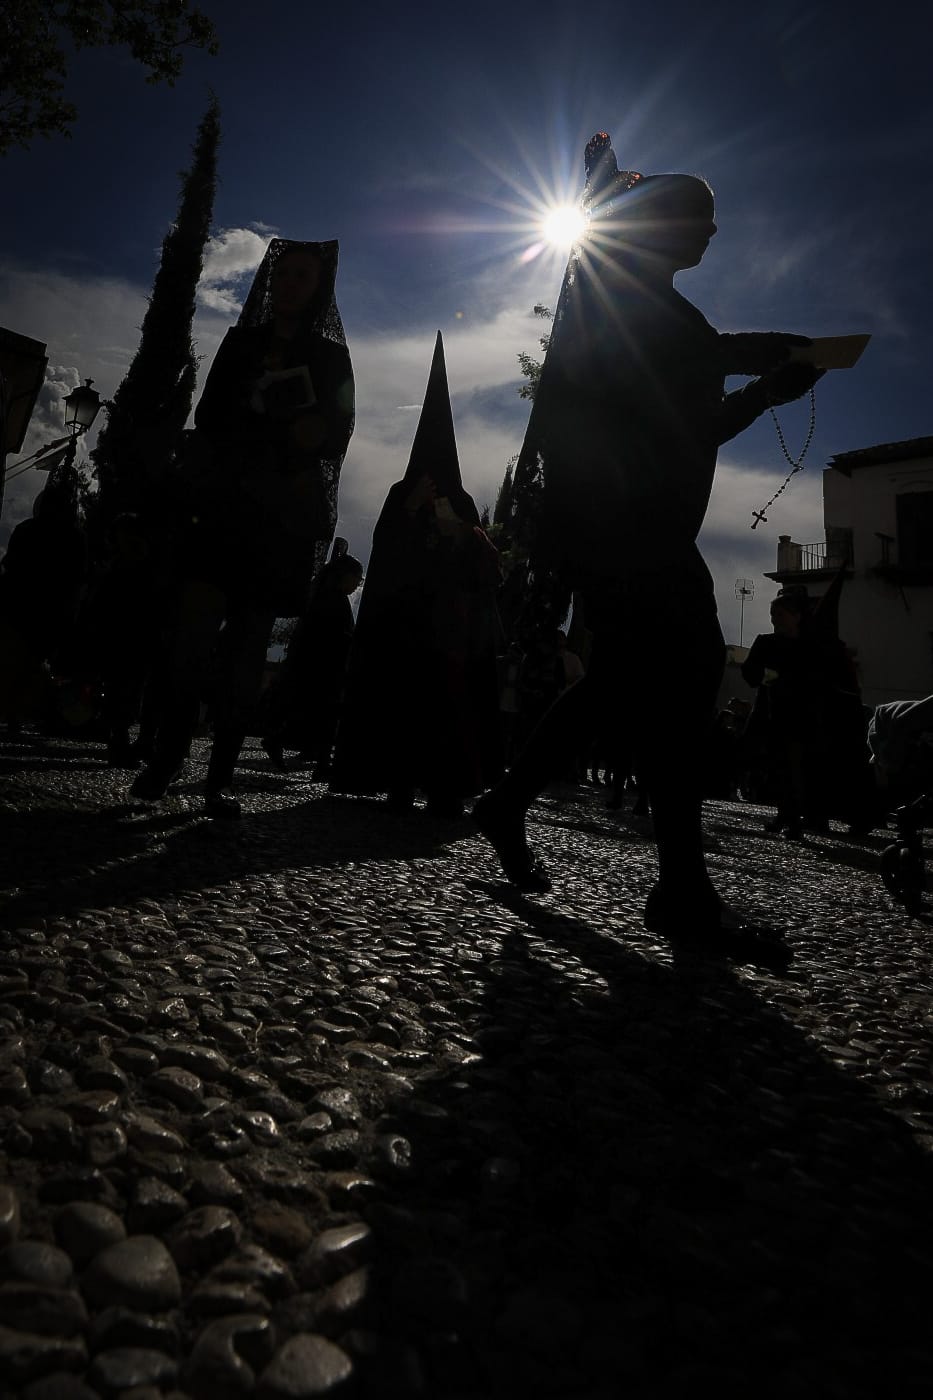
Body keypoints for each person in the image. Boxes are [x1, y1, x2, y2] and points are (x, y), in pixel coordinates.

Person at [473, 132, 822, 945]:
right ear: (659, 223)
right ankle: (682, 893)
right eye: (698, 217)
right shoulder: (637, 305)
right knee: (684, 675)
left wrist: (772, 358)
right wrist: (768, 389)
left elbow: (705, 355)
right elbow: (689, 416)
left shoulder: (646, 301)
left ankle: (506, 804)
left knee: (622, 680)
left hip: (618, 524)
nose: (710, 231)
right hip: (628, 524)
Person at [130, 239, 354, 817]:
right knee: (191, 636)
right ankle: (167, 754)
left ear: (318, 286)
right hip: (222, 506)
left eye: (302, 276)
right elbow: (207, 416)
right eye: (283, 274)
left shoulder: (330, 360)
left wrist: (304, 428)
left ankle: (218, 780)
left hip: (277, 520)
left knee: (247, 650)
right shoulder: (243, 342)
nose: (289, 284)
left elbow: (337, 430)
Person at [329, 332, 504, 817]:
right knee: (401, 706)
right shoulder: (398, 494)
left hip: (451, 630)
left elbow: (484, 568)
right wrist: (408, 511)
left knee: (449, 708)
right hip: (403, 626)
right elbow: (385, 552)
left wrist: (458, 531)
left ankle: (447, 787)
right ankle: (398, 781)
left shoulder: (462, 502)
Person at [261, 540, 363, 773]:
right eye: (357, 579)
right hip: (324, 668)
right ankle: (320, 762)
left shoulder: (325, 596)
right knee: (323, 715)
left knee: (316, 715)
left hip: (318, 667)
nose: (357, 584)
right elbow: (336, 635)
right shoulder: (333, 600)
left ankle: (298, 748)